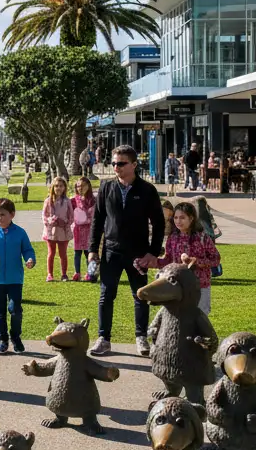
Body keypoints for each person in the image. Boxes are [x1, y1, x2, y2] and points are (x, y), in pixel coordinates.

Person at [89, 144, 165, 357]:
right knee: (106, 295)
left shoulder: (147, 190)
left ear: (134, 164)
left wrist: (153, 252)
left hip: (138, 253)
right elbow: (97, 220)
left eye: (121, 163)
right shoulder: (106, 187)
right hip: (111, 251)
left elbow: (159, 223)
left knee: (140, 295)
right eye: (113, 163)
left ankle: (141, 337)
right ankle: (104, 338)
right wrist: (93, 249)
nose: (116, 167)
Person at [0, 197, 36, 355]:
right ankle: (2, 340)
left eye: (2, 214)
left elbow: (27, 250)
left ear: (12, 214)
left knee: (15, 310)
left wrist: (30, 259)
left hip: (15, 279)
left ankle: (16, 338)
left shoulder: (20, 233)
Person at [151, 201, 220, 315]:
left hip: (199, 286)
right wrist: (154, 262)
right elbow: (168, 260)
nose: (178, 221)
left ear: (191, 218)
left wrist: (197, 262)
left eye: (182, 218)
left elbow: (216, 259)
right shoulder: (172, 238)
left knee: (199, 317)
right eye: (176, 217)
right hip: (178, 286)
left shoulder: (202, 237)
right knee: (178, 317)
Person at [42, 176, 74, 282]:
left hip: (63, 231)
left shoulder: (67, 201)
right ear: (52, 187)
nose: (58, 188)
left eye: (61, 186)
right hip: (51, 231)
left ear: (64, 187)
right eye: (56, 186)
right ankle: (50, 274)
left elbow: (71, 216)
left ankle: (64, 274)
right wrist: (50, 221)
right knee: (51, 253)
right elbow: (44, 216)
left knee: (63, 253)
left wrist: (65, 223)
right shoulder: (48, 201)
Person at [70, 176, 95, 281]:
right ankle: (77, 273)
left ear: (88, 186)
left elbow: (94, 215)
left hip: (89, 230)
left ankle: (90, 273)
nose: (80, 188)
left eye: (83, 185)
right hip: (77, 230)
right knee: (77, 252)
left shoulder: (93, 200)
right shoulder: (73, 200)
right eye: (78, 186)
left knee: (88, 252)